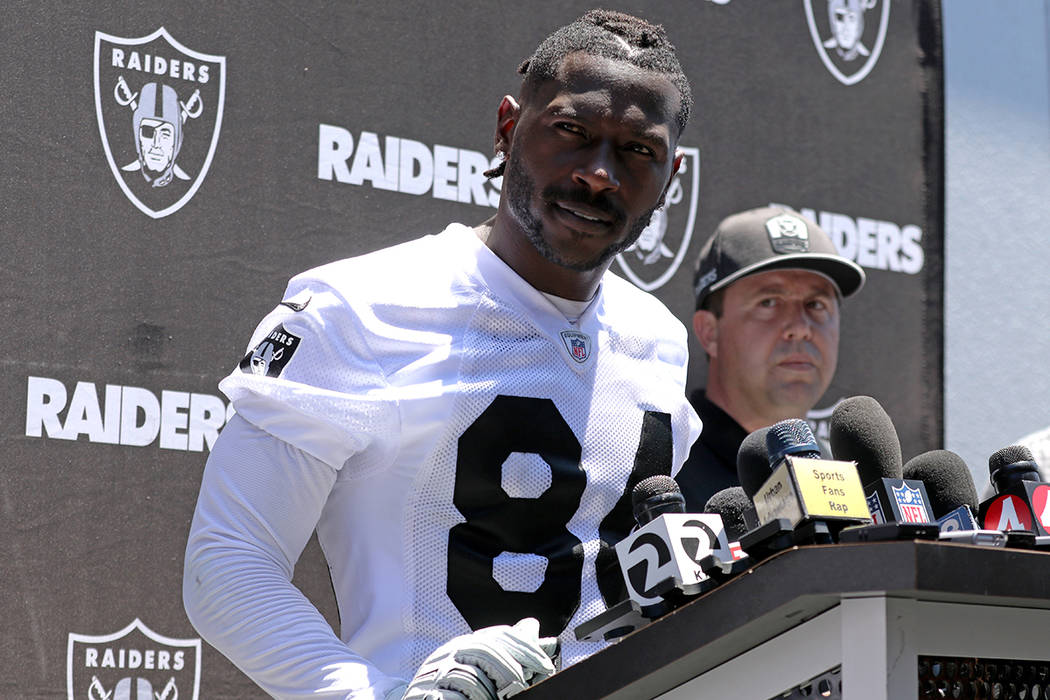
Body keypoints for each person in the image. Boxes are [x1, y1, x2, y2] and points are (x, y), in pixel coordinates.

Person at [183, 10, 701, 700]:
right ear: (509, 129)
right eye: (571, 132)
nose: (600, 174)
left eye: (638, 150)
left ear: (672, 175)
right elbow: (227, 564)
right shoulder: (360, 306)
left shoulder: (659, 340)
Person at [675, 206, 865, 510]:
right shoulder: (667, 468)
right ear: (709, 331)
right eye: (770, 302)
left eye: (816, 304)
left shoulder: (846, 481)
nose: (801, 328)